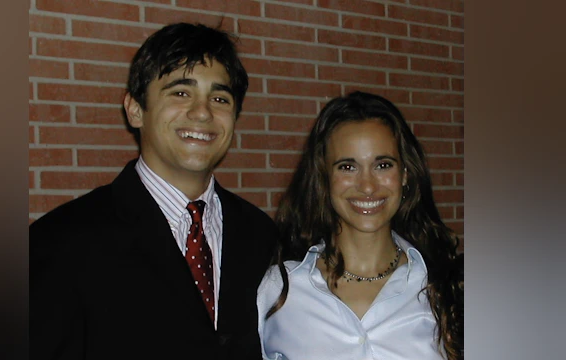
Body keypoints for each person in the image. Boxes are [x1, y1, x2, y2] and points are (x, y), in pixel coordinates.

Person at [30, 22, 278, 360]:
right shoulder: (62, 242)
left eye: (219, 97)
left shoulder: (262, 235)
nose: (202, 112)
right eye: (181, 92)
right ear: (135, 110)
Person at [257, 91, 464, 360]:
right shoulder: (280, 288)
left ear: (404, 174)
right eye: (347, 167)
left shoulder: (445, 287)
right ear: (324, 178)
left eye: (383, 165)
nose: (367, 186)